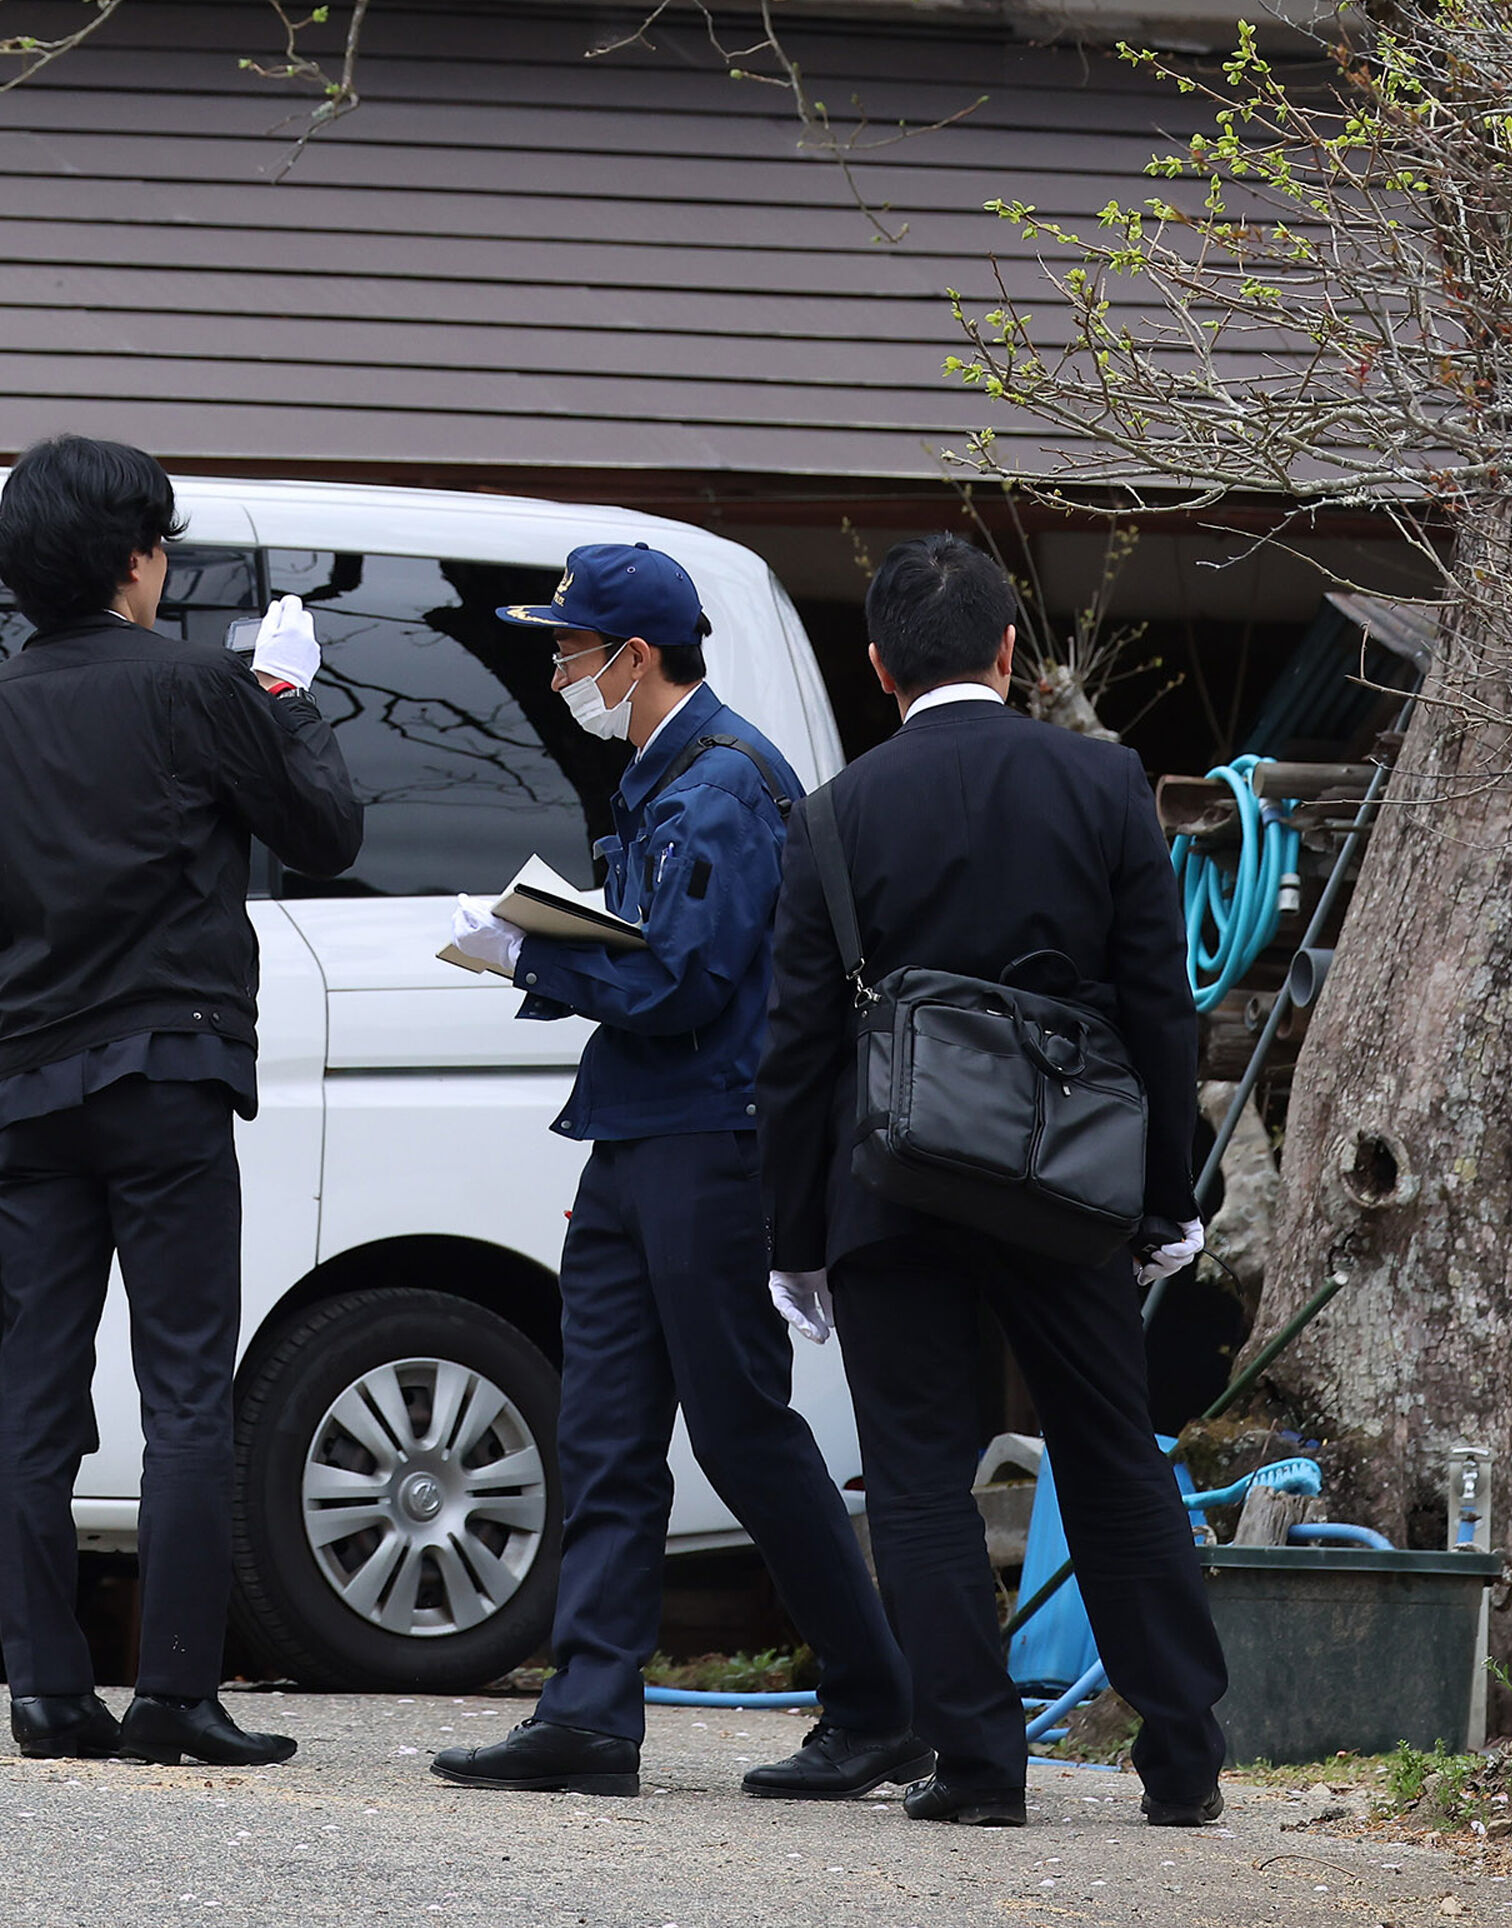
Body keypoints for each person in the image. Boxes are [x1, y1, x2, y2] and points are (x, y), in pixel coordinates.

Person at [427, 542, 923, 1803]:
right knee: (602, 1429)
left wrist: (522, 953)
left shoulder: (714, 785)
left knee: (741, 1428)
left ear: (630, 657)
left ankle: (876, 1703)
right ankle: (590, 1709)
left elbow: (677, 980)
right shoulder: (675, 773)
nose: (555, 670)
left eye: (567, 647)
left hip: (706, 1138)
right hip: (643, 1136)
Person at [758, 533, 1228, 1828]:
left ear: (877, 668)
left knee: (916, 1469)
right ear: (1011, 652)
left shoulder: (835, 811)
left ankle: (977, 1764)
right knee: (1109, 1448)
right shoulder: (1102, 776)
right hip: (1065, 1179)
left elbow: (797, 1045)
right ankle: (1183, 1752)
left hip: (891, 1182)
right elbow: (1157, 1002)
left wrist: (795, 1237)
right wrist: (1169, 1194)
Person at [0, 433, 365, 1767]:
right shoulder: (194, 689)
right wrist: (285, 693)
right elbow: (326, 832)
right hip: (167, 1069)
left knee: (36, 1394)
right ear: (136, 558)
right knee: (184, 1385)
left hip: (26, 1090)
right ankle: (174, 1689)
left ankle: (47, 1692)